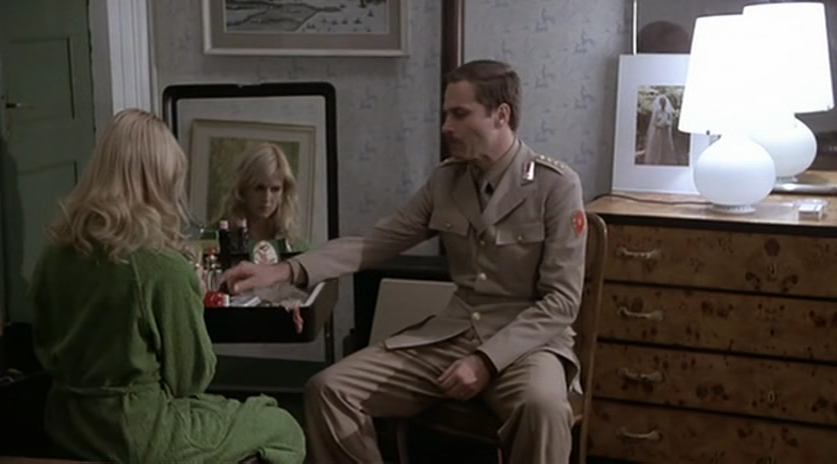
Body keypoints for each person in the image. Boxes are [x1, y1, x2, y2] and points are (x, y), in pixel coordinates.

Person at [224, 60, 587, 464]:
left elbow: (561, 302)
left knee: (543, 409)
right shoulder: (447, 180)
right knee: (329, 390)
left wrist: (486, 361)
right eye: (446, 114)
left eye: (459, 114)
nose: (446, 126)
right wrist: (284, 270)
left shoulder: (555, 186)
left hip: (528, 346)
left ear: (501, 115)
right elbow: (375, 243)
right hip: (453, 336)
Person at [29, 109, 305, 464]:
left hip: (66, 424)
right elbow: (190, 378)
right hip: (139, 434)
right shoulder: (160, 266)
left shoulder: (55, 252)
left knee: (238, 412)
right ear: (160, 182)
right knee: (282, 426)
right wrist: (190, 298)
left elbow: (43, 339)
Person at [216, 142, 306, 253]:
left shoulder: (295, 245)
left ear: (284, 192)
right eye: (259, 188)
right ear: (243, 189)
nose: (267, 198)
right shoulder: (218, 237)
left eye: (275, 189)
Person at [643, 94, 679, 165]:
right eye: (662, 102)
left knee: (666, 146)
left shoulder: (667, 113)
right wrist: (660, 125)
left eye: (664, 102)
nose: (663, 104)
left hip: (665, 132)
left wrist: (667, 124)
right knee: (657, 146)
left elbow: (670, 122)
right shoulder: (657, 112)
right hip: (658, 132)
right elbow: (654, 122)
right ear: (660, 103)